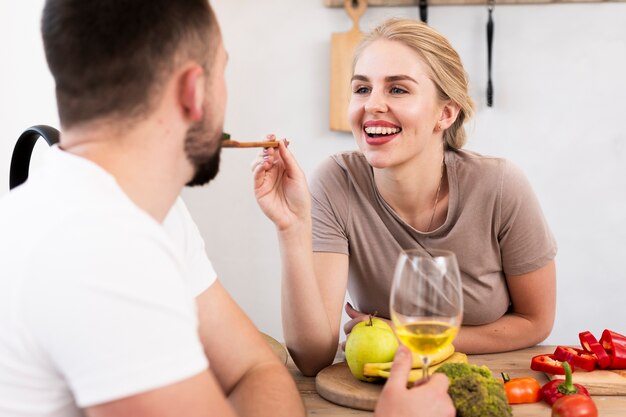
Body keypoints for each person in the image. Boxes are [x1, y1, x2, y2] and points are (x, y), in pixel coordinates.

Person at [0, 2, 455, 417]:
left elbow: (253, 369)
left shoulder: (156, 215)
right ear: (194, 91)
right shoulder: (102, 250)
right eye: (223, 72)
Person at [253, 18, 557, 377]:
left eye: (397, 90)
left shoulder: (501, 185)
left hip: (493, 385)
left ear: (445, 113)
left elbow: (535, 321)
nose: (373, 105)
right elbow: (313, 357)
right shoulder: (336, 183)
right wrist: (291, 228)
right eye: (362, 89)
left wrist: (414, 338)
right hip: (383, 390)